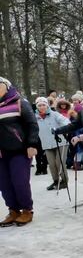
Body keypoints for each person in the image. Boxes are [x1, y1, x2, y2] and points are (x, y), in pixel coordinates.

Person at [0, 77, 39, 227]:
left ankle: (27, 210)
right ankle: (13, 211)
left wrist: (31, 144)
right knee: (4, 184)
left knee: (19, 182)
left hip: (19, 151)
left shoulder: (20, 103)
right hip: (1, 153)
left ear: (7, 86)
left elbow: (32, 124)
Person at [35, 97, 71, 191]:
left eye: (44, 105)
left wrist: (63, 128)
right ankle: (56, 181)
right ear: (37, 107)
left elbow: (66, 122)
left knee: (59, 163)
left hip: (61, 142)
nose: (42, 107)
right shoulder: (35, 117)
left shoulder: (54, 114)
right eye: (39, 105)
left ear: (47, 105)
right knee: (51, 164)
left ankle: (64, 181)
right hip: (46, 143)